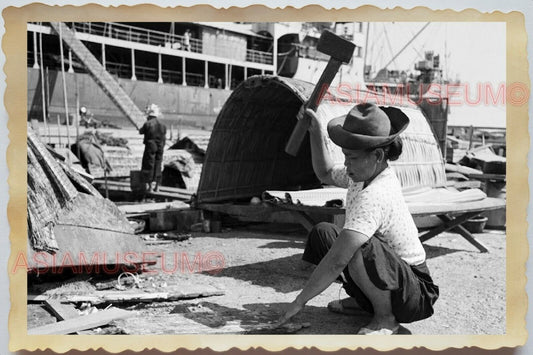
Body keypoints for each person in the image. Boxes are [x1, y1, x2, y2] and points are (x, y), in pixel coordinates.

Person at [274, 102, 439, 335]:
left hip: (414, 292)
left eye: (351, 157)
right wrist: (315, 132)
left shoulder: (376, 193)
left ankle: (386, 319)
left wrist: (300, 301)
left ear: (378, 155)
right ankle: (365, 303)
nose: (346, 164)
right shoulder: (361, 175)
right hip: (393, 278)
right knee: (324, 233)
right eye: (345, 156)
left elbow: (338, 260)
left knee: (355, 247)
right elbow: (325, 173)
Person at [139, 103, 167, 192]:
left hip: (151, 146)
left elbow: (141, 131)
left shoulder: (148, 123)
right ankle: (157, 187)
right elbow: (164, 136)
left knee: (149, 165)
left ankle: (150, 187)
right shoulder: (163, 125)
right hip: (160, 146)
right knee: (158, 165)